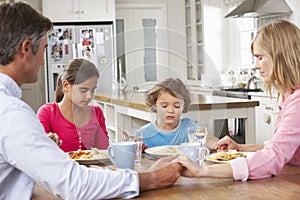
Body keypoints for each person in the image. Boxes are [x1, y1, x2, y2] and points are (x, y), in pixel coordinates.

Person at [0, 2, 181, 199]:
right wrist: (153, 178)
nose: (43, 61)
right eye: (44, 49)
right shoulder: (11, 113)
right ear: (26, 49)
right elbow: (74, 184)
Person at [176, 20, 300, 181]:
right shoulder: (289, 95)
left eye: (260, 57)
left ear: (281, 56)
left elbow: (274, 157)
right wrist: (240, 147)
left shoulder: (297, 101)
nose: (256, 65)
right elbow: (281, 148)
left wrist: (202, 171)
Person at [37, 58, 109, 152]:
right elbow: (39, 152)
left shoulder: (96, 113)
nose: (89, 96)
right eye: (83, 90)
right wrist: (47, 142)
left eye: (92, 90)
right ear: (66, 86)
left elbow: (104, 152)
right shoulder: (47, 113)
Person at [140, 78, 217, 149]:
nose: (170, 110)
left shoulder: (188, 126)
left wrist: (218, 144)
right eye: (164, 106)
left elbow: (206, 139)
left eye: (177, 106)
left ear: (183, 106)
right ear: (154, 105)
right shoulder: (144, 133)